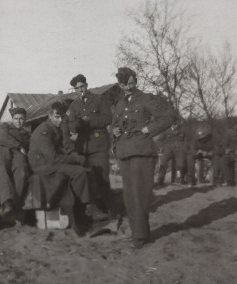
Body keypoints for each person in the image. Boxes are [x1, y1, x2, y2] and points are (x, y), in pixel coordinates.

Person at [111, 67, 174, 249]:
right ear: (120, 84)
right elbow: (114, 123)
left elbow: (168, 117)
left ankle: (140, 236)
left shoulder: (146, 98)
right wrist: (113, 130)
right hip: (124, 152)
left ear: (135, 81)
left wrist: (149, 129)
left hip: (142, 151)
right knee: (129, 196)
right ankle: (136, 233)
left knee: (140, 194)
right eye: (125, 84)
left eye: (132, 83)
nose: (129, 87)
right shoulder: (120, 102)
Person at [28, 102, 102, 221]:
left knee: (87, 169)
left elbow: (63, 147)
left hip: (50, 162)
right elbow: (53, 157)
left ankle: (93, 205)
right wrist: (75, 159)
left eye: (62, 117)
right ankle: (87, 209)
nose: (60, 120)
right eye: (57, 117)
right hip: (42, 165)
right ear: (49, 116)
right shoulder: (44, 131)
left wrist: (74, 155)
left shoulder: (54, 128)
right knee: (79, 172)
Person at [67, 74, 113, 215]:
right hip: (83, 147)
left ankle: (109, 210)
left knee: (102, 178)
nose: (80, 90)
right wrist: (79, 124)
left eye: (82, 86)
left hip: (98, 145)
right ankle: (92, 211)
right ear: (74, 90)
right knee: (87, 178)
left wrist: (90, 121)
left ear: (87, 85)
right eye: (77, 88)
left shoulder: (99, 99)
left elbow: (108, 118)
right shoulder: (74, 105)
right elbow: (71, 125)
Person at [0, 107, 30, 217]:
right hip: (0, 150)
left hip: (17, 153)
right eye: (16, 119)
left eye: (21, 119)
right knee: (1, 168)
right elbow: (2, 137)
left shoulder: (26, 134)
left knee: (23, 169)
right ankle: (6, 203)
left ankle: (15, 204)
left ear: (25, 119)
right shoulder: (4, 127)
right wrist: (19, 146)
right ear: (12, 119)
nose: (18, 121)